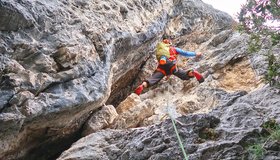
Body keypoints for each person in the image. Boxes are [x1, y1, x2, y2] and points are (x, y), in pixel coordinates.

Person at [134, 38, 204, 95]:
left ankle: (143, 85)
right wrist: (195, 54)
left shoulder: (161, 51)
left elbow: (165, 67)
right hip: (171, 65)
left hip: (162, 67)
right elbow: (186, 53)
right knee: (183, 75)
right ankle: (192, 72)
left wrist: (168, 75)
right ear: (169, 43)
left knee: (153, 78)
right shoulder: (174, 49)